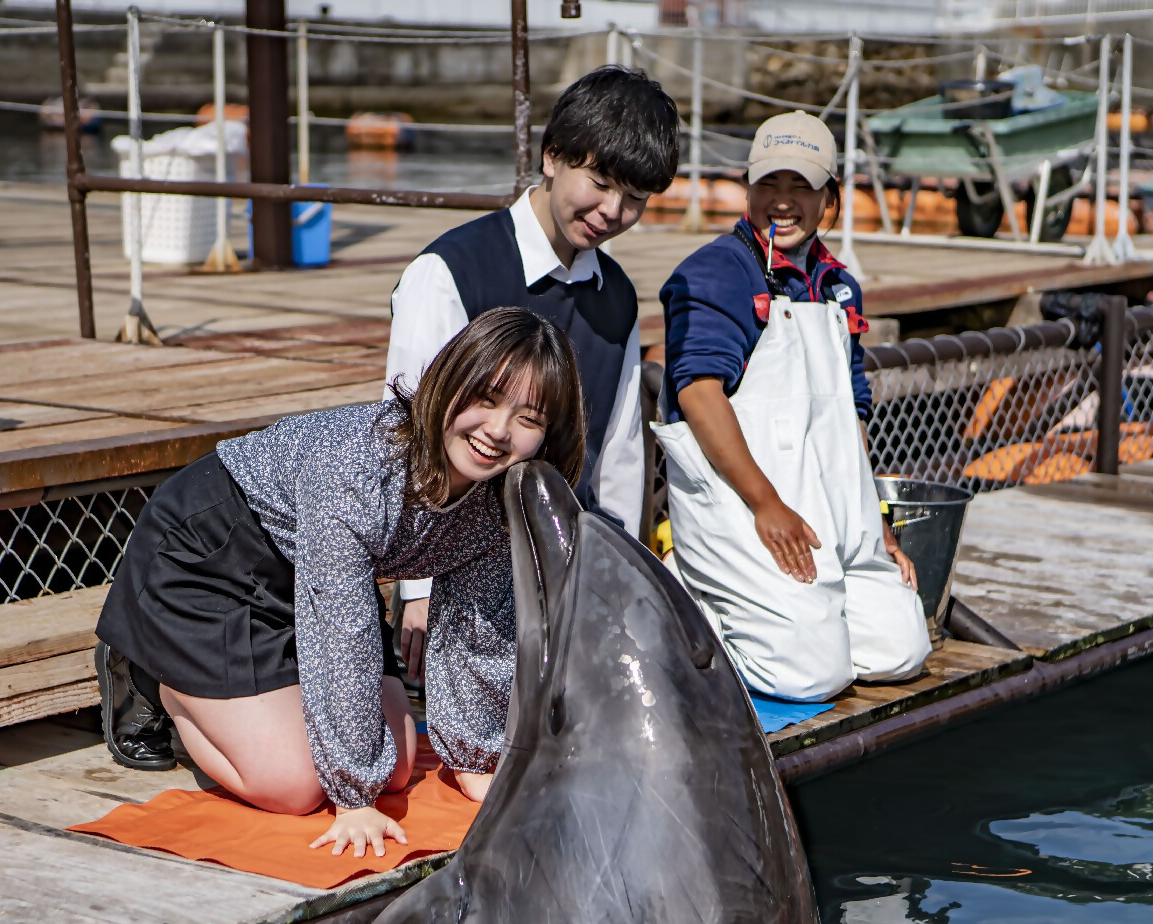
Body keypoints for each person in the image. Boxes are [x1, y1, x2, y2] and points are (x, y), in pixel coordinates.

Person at [94, 308, 585, 857]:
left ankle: (251, 701)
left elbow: (479, 627)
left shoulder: (500, 493)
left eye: (529, 417)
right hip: (211, 558)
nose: (498, 431)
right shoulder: (358, 471)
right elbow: (341, 629)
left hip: (313, 577)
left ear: (549, 434)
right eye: (486, 399)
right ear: (447, 383)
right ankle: (151, 669)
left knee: (396, 765)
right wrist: (353, 798)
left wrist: (475, 759)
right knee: (297, 786)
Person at [384, 65, 679, 682]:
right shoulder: (449, 272)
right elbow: (407, 431)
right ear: (552, 157)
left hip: (567, 567)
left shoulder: (618, 296)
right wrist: (416, 591)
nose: (611, 212)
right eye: (598, 182)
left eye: (635, 199)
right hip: (452, 571)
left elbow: (618, 454)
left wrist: (620, 575)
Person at [652, 111, 930, 701]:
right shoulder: (714, 273)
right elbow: (696, 391)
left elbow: (850, 410)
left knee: (902, 651)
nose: (783, 201)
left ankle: (786, 608)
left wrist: (874, 520)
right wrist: (765, 503)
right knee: (808, 677)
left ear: (830, 196)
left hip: (825, 506)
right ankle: (688, 590)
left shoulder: (838, 284)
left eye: (801, 185)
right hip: (744, 504)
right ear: (747, 187)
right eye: (768, 184)